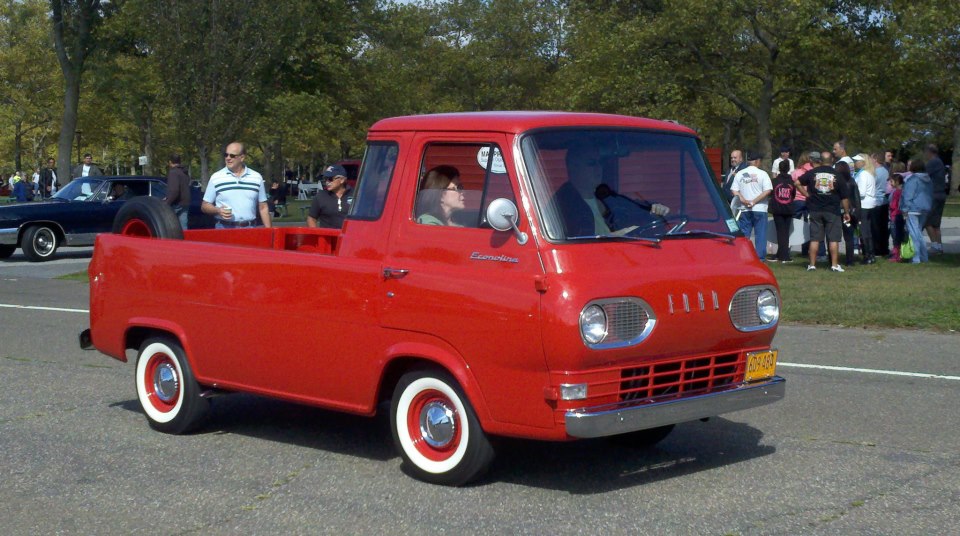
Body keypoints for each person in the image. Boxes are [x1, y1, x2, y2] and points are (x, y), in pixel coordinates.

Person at [553, 145, 669, 236]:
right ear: (573, 168)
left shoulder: (605, 196)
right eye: (591, 163)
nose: (598, 168)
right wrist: (617, 236)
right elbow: (576, 243)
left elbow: (631, 206)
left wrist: (653, 208)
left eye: (600, 163)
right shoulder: (563, 204)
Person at [796, 152, 852, 272]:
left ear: (820, 160)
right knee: (833, 239)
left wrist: (806, 194)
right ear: (831, 160)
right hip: (832, 210)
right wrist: (846, 212)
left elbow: (797, 182)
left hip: (815, 209)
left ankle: (812, 265)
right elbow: (845, 197)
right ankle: (834, 265)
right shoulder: (837, 175)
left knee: (815, 238)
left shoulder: (812, 172)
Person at [201, 142, 271, 229]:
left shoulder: (256, 177)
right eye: (226, 155)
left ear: (242, 157)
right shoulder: (216, 177)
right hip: (223, 228)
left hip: (249, 229)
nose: (228, 158)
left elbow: (263, 207)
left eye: (232, 155)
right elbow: (205, 205)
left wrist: (269, 232)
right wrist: (218, 210)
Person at [731, 150, 773, 259]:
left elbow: (734, 190)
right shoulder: (763, 174)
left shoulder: (740, 174)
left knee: (745, 235)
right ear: (757, 161)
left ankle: (743, 256)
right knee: (761, 235)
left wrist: (744, 200)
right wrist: (754, 201)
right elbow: (767, 190)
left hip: (744, 209)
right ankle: (760, 258)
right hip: (760, 208)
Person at [901, 158, 933, 264]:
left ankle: (916, 257)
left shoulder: (913, 179)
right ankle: (924, 256)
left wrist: (905, 209)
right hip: (925, 208)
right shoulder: (928, 179)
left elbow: (907, 195)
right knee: (918, 232)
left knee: (914, 233)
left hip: (913, 209)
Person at [307, 164, 353, 228]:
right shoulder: (320, 196)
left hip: (349, 236)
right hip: (327, 237)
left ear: (342, 180)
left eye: (330, 179)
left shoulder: (356, 195)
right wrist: (318, 235)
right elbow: (311, 219)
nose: (327, 182)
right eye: (325, 179)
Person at [769, 160, 797, 262]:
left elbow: (771, 193)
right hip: (788, 208)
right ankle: (782, 254)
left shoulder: (774, 181)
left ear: (779, 169)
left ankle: (783, 255)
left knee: (780, 232)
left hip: (777, 209)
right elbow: (793, 195)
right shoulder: (792, 182)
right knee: (785, 232)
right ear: (789, 169)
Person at [852, 154, 877, 264]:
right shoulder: (869, 174)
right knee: (867, 231)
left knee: (863, 231)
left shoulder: (862, 175)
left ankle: (867, 256)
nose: (855, 163)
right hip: (870, 204)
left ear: (863, 162)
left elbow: (861, 192)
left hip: (863, 205)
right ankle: (871, 254)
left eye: (857, 161)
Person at [923, 144, 947, 255]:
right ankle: (939, 246)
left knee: (927, 221)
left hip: (934, 194)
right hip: (941, 194)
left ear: (930, 152)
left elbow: (924, 176)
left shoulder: (933, 163)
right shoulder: (940, 162)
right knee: (936, 223)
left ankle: (935, 245)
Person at [870, 152, 891, 257]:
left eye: (871, 159)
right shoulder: (886, 171)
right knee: (883, 227)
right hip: (884, 201)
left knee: (875, 227)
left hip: (876, 201)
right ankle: (884, 248)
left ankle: (877, 249)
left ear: (876, 160)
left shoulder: (875, 173)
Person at [164, 154, 191, 230]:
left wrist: (167, 202)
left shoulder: (173, 172)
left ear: (170, 162)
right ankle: (183, 240)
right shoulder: (184, 172)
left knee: (168, 227)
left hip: (176, 203)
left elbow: (174, 190)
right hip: (185, 202)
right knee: (183, 227)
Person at [888, 173, 905, 262]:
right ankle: (899, 253)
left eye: (891, 181)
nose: (890, 183)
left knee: (895, 236)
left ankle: (896, 254)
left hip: (894, 216)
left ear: (897, 182)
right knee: (899, 235)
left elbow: (893, 205)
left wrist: (890, 205)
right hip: (900, 215)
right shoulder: (902, 191)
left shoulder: (896, 192)